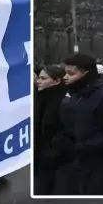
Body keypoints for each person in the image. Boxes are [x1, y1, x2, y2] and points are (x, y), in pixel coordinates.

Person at [62, 53, 103, 195]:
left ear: (86, 74)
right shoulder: (76, 96)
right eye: (65, 73)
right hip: (78, 162)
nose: (65, 77)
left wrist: (82, 145)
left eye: (71, 73)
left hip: (99, 165)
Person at [33, 65, 71, 195]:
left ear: (56, 81)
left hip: (54, 160)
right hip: (41, 156)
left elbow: (68, 131)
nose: (38, 81)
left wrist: (52, 152)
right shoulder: (41, 97)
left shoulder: (64, 102)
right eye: (39, 78)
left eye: (43, 78)